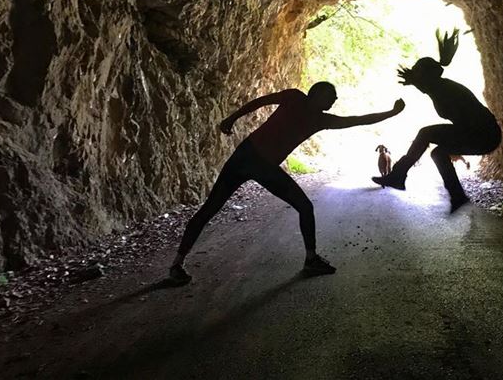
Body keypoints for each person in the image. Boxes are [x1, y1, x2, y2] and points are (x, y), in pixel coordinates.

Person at [169, 82, 405, 284]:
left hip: (245, 156)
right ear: (317, 94)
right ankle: (311, 259)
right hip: (261, 164)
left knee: (211, 208)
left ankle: (176, 265)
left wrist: (232, 118)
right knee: (304, 207)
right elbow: (261, 101)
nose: (334, 100)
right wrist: (231, 118)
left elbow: (359, 120)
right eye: (331, 96)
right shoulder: (304, 105)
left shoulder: (313, 112)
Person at [372, 29, 501, 213]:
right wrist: (415, 80)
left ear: (427, 75)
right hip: (481, 134)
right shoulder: (440, 86)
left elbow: (428, 87)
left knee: (426, 133)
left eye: (418, 72)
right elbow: (427, 86)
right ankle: (457, 195)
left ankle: (398, 175)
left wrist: (414, 81)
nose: (415, 76)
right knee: (438, 153)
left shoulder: (443, 89)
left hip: (483, 135)